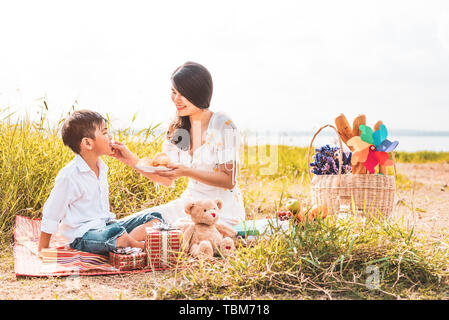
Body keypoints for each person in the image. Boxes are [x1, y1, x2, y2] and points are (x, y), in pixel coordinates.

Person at [111, 61, 245, 227]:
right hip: (190, 205)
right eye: (174, 92)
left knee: (154, 232)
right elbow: (166, 179)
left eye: (183, 94)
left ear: (200, 93)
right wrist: (129, 159)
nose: (176, 99)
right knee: (132, 224)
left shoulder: (223, 125)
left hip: (220, 212)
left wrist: (187, 171)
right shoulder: (179, 129)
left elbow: (229, 179)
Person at [37, 110, 163, 256]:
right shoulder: (69, 176)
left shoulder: (102, 167)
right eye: (104, 133)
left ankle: (125, 242)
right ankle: (135, 245)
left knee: (154, 218)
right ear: (88, 143)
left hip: (106, 226)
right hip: (82, 236)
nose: (110, 137)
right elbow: (52, 213)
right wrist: (43, 249)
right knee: (114, 233)